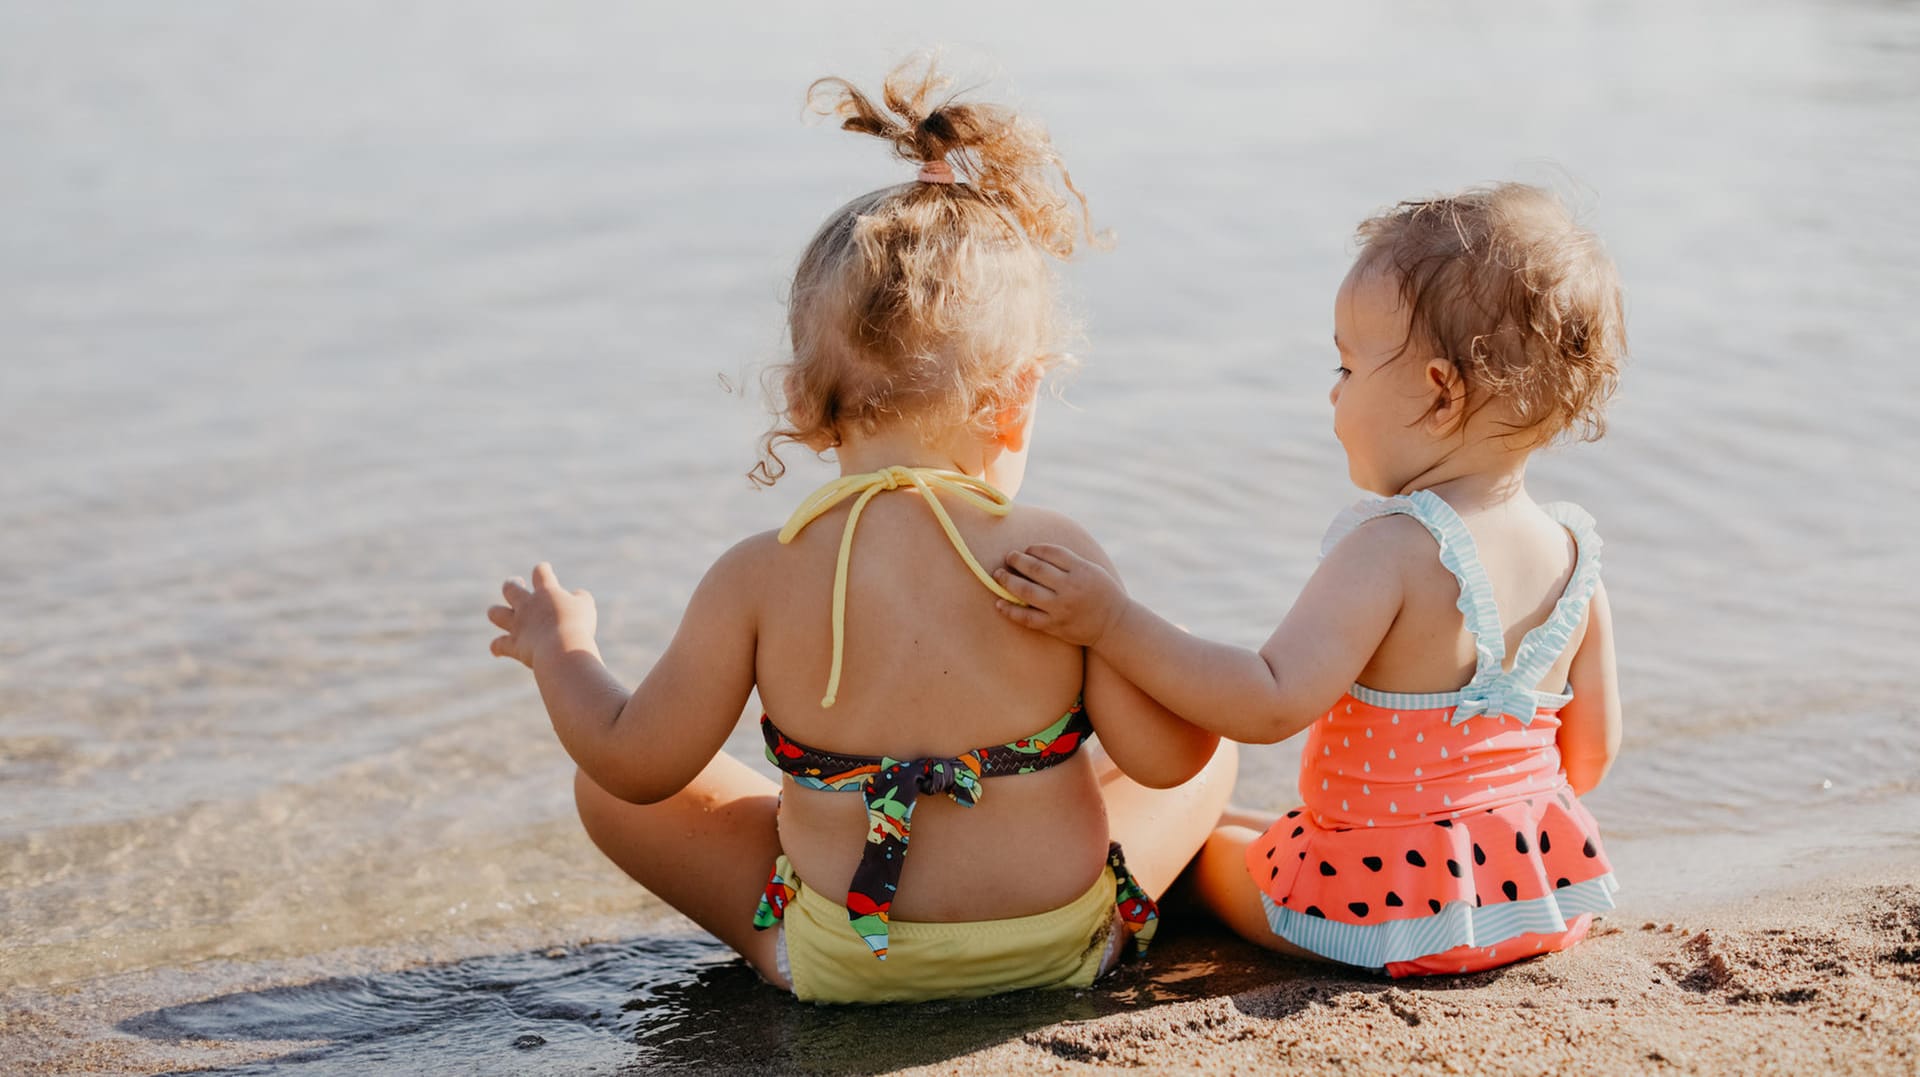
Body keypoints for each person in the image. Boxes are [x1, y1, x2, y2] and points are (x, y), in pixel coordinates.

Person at [486, 57, 1234, 1004]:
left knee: (608, 793)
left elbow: (634, 765)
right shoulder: (1054, 553)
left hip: (848, 962)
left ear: (805, 399)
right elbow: (1168, 761)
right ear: (1017, 400)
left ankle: (784, 954)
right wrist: (1122, 637)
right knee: (1213, 766)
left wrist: (563, 650)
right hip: (1054, 953)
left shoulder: (760, 574)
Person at [993, 183, 1626, 977]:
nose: (1333, 389)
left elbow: (1267, 699)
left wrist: (1113, 622)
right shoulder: (1573, 556)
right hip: (1535, 895)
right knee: (1257, 825)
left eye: (1347, 364)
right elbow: (1591, 756)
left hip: (1390, 919)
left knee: (1196, 849)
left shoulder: (1392, 548)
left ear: (1439, 392)